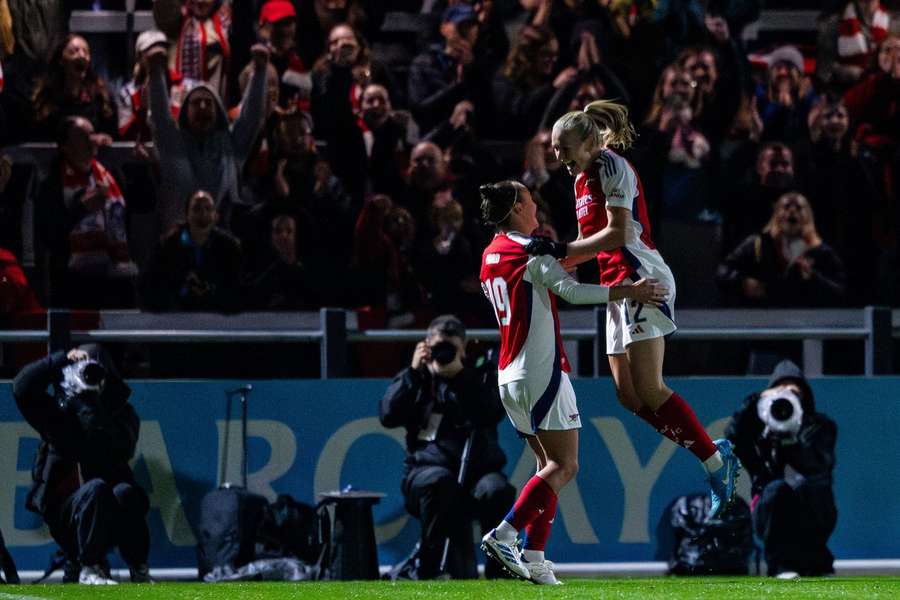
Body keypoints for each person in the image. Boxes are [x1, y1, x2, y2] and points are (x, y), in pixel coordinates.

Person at [524, 100, 741, 520]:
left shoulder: (612, 167)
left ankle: (715, 462)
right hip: (616, 290)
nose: (558, 157)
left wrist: (560, 251)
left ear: (589, 142)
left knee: (651, 388)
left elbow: (618, 233)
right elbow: (590, 246)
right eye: (553, 149)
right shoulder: (580, 179)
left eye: (564, 148)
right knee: (627, 396)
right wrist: (546, 266)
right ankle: (713, 453)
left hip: (642, 281)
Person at [478, 180, 668, 584]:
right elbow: (572, 294)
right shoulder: (530, 250)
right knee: (565, 464)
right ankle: (505, 533)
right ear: (515, 208)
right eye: (530, 203)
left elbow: (534, 281)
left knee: (546, 467)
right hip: (541, 368)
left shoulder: (491, 254)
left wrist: (558, 262)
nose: (537, 211)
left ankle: (534, 555)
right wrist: (628, 290)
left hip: (508, 373)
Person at [379, 315, 515, 580]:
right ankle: (429, 569)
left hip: (477, 474)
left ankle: (501, 574)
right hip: (426, 474)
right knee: (439, 482)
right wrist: (414, 374)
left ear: (463, 348)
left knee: (497, 490)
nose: (444, 354)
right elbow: (388, 415)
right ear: (426, 346)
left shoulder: (479, 377)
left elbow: (491, 413)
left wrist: (462, 377)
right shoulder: (416, 379)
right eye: (439, 347)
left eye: (451, 347)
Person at [12, 344, 150, 585]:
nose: (90, 377)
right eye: (84, 371)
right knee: (95, 488)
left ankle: (139, 570)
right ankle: (89, 568)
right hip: (68, 515)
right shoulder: (58, 413)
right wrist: (61, 359)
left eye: (96, 372)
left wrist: (92, 407)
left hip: (107, 514)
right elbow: (21, 387)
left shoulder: (121, 414)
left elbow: (123, 447)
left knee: (127, 492)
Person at [725, 360, 837, 578]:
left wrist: (795, 440)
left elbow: (819, 466)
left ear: (804, 397)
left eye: (794, 392)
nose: (787, 398)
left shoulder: (820, 426)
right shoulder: (757, 432)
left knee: (813, 487)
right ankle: (783, 566)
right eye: (780, 392)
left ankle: (818, 562)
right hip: (770, 511)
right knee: (776, 490)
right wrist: (750, 408)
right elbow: (731, 443)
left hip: (814, 508)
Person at [35, 116, 137, 309]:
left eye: (92, 134)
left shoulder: (110, 173)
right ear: (66, 146)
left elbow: (133, 213)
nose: (91, 140)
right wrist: (81, 209)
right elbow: (48, 235)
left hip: (115, 283)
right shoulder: (51, 184)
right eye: (83, 137)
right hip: (75, 286)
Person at [716, 192, 847, 308]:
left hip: (805, 323)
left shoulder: (821, 251)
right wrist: (743, 283)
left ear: (808, 216)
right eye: (786, 207)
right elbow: (723, 271)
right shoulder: (756, 244)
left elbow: (839, 290)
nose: (792, 211)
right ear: (776, 213)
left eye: (799, 208)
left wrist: (814, 277)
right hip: (762, 321)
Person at [141, 190, 243, 312]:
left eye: (208, 208)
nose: (203, 214)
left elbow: (236, 290)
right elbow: (151, 288)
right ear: (187, 215)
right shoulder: (168, 246)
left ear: (216, 216)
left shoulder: (229, 247)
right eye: (197, 208)